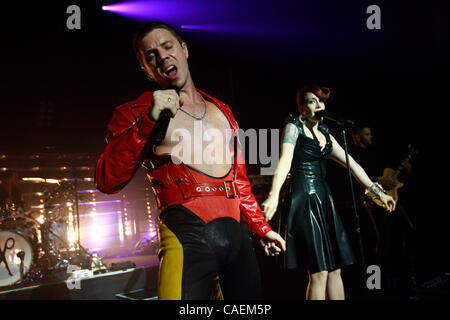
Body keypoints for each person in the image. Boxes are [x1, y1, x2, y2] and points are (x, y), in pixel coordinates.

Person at [95, 21, 285, 300]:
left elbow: (239, 182)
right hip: (185, 235)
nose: (162, 57)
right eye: (151, 55)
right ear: (146, 69)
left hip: (237, 240)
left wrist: (261, 228)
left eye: (167, 46)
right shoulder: (134, 113)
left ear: (184, 49)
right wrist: (149, 120)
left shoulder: (222, 109)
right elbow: (107, 179)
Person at [262, 86, 395, 300]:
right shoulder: (293, 126)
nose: (318, 106)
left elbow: (352, 164)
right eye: (311, 101)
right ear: (302, 108)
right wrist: (273, 195)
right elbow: (285, 161)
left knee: (335, 270)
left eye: (320, 101)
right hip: (304, 199)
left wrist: (377, 191)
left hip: (324, 200)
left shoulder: (325, 133)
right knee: (319, 272)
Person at [351, 125, 417, 296]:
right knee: (378, 242)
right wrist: (379, 183)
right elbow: (358, 179)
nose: (371, 136)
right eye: (366, 133)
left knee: (407, 230)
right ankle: (377, 285)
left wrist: (404, 172)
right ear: (357, 137)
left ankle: (408, 278)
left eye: (371, 132)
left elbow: (391, 176)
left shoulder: (376, 153)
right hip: (372, 203)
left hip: (389, 199)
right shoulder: (355, 155)